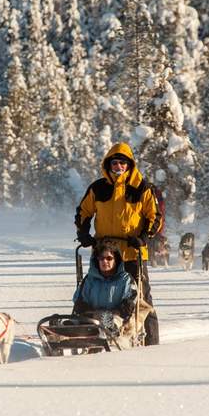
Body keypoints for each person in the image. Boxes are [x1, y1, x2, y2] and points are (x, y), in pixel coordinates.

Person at [75, 142, 162, 345]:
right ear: (108, 165)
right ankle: (91, 327)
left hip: (132, 252)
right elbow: (83, 212)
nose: (118, 167)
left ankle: (150, 341)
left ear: (129, 165)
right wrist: (83, 233)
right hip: (104, 252)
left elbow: (154, 217)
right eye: (115, 163)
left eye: (123, 163)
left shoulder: (142, 188)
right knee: (93, 292)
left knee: (141, 298)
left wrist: (143, 237)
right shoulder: (98, 188)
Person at [72, 239, 137, 320]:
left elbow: (129, 304)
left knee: (110, 323)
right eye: (101, 258)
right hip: (91, 319)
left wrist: (111, 315)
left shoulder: (125, 279)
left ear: (116, 260)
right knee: (74, 324)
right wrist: (93, 314)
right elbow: (79, 302)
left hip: (117, 319)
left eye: (109, 258)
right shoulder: (89, 279)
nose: (104, 261)